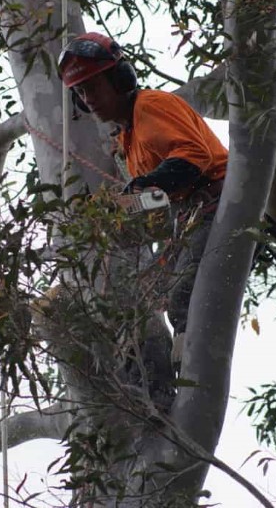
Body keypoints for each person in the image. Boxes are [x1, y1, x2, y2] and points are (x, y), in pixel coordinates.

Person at [58, 32, 229, 376]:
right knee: (152, 298)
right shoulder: (129, 137)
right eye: (80, 92)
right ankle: (155, 376)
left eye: (93, 86)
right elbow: (161, 199)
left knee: (184, 296)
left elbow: (192, 159)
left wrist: (138, 188)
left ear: (120, 79)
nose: (87, 98)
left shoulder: (150, 105)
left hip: (218, 200)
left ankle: (193, 373)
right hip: (192, 215)